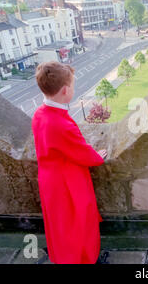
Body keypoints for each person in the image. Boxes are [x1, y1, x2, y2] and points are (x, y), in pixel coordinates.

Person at [32, 61, 108, 264]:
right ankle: (85, 259)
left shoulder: (40, 114)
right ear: (65, 91)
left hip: (49, 180)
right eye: (73, 86)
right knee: (79, 225)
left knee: (60, 226)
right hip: (68, 182)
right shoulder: (61, 124)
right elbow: (84, 153)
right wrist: (99, 157)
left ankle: (63, 257)